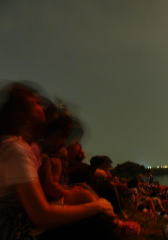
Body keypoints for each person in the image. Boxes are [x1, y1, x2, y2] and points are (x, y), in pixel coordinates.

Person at [0, 82, 139, 240]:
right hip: (16, 230)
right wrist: (95, 207)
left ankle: (115, 224)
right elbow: (41, 215)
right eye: (36, 103)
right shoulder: (16, 150)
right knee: (94, 220)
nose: (42, 106)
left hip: (22, 219)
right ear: (22, 116)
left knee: (82, 196)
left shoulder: (18, 147)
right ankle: (114, 227)